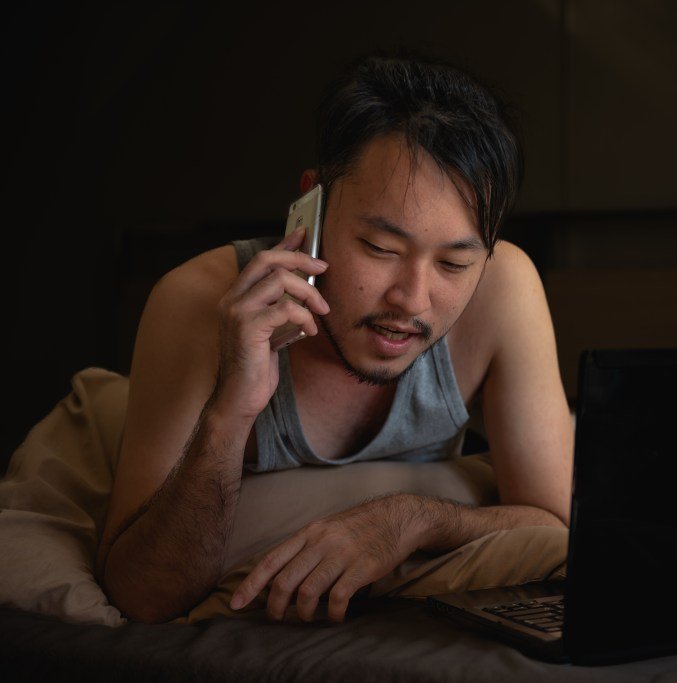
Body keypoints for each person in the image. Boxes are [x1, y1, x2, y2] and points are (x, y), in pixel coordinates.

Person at [95, 55, 574, 624]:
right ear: (313, 204)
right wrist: (232, 409)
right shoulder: (196, 304)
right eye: (380, 248)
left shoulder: (505, 287)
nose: (413, 299)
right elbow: (143, 597)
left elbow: (561, 525)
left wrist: (410, 520)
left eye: (453, 262)